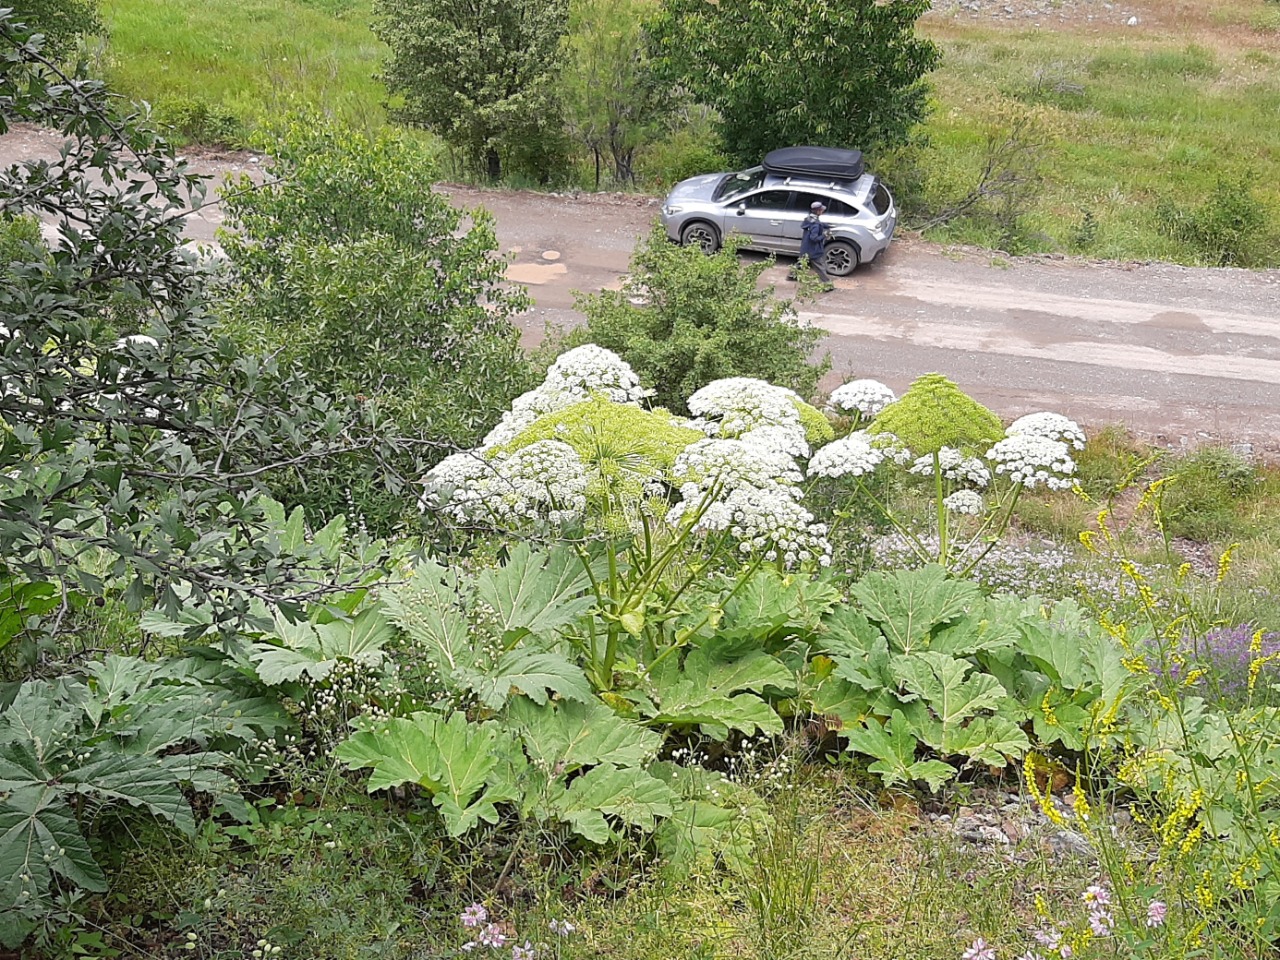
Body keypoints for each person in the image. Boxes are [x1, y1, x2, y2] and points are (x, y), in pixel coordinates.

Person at [790, 201, 835, 291]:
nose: (822, 211)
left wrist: (826, 226)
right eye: (821, 210)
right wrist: (825, 235)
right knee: (820, 267)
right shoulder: (816, 224)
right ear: (818, 211)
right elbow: (814, 238)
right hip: (814, 250)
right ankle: (827, 285)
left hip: (805, 248)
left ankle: (791, 275)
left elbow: (816, 224)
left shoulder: (809, 219)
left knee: (801, 262)